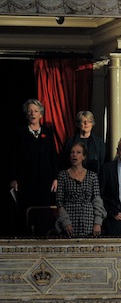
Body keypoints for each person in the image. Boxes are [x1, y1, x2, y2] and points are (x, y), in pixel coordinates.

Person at [9, 99, 58, 232]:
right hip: (26, 181)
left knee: (43, 214)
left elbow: (53, 156)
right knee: (26, 212)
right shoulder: (19, 132)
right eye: (30, 111)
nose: (33, 114)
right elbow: (14, 157)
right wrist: (14, 179)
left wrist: (55, 178)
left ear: (41, 114)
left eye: (35, 111)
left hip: (45, 181)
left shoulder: (47, 133)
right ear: (26, 115)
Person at [55, 142, 106, 237]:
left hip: (88, 221)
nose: (74, 154)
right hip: (69, 220)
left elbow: (97, 200)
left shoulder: (92, 176)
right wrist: (65, 222)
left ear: (84, 156)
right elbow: (59, 201)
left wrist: (97, 223)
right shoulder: (63, 175)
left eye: (78, 152)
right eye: (72, 152)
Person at [62, 110, 106, 175]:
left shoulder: (99, 143)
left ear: (92, 124)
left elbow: (102, 163)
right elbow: (64, 162)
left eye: (89, 121)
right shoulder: (70, 142)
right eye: (83, 121)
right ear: (78, 124)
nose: (86, 124)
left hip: (94, 179)